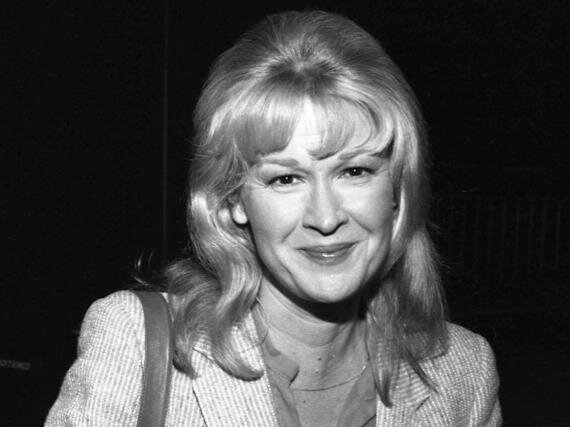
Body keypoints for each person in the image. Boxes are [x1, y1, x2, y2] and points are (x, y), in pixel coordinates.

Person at [46, 10, 501, 426]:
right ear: (232, 201)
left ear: (398, 189)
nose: (325, 218)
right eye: (286, 178)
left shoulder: (463, 371)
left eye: (355, 171)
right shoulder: (137, 343)